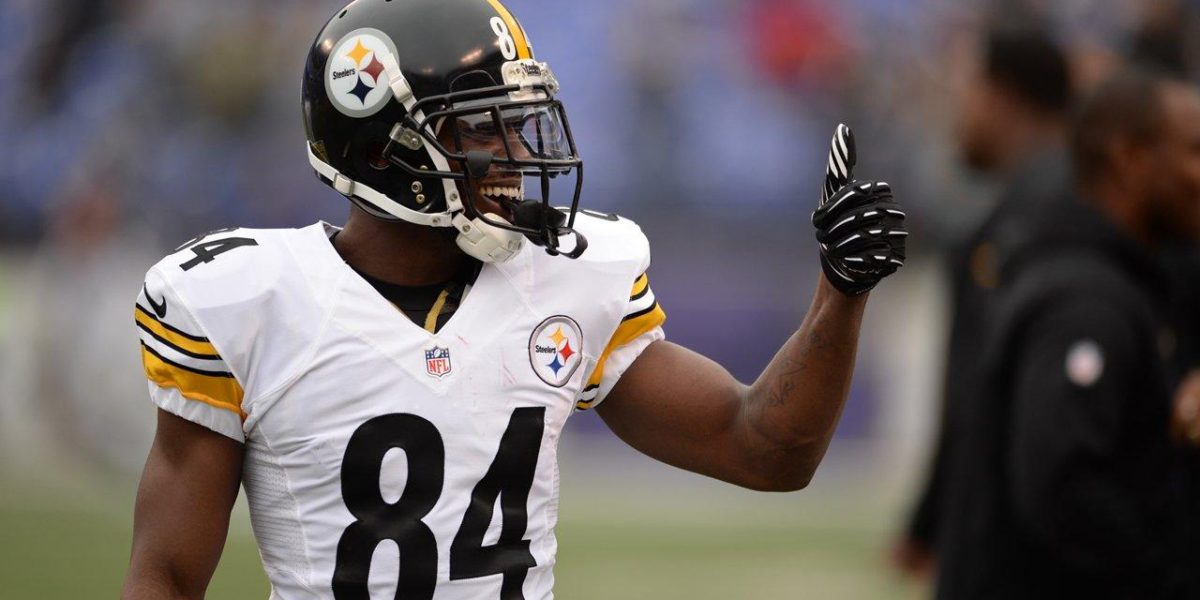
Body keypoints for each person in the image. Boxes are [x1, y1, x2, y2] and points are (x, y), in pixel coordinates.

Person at [119, 1, 907, 598]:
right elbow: (165, 577)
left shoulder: (561, 278)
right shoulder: (250, 303)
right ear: (383, 148)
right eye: (486, 131)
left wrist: (840, 291)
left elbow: (764, 449)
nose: (522, 156)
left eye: (520, 124)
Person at [934, 68, 1200, 599]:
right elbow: (1062, 486)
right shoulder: (1086, 304)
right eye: (1194, 150)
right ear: (1130, 158)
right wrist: (1173, 578)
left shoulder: (1108, 278)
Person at [893, 22, 1072, 578]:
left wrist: (933, 522)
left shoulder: (1022, 231)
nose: (956, 109)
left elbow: (975, 394)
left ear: (1006, 96)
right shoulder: (1068, 206)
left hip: (1021, 550)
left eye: (966, 87)